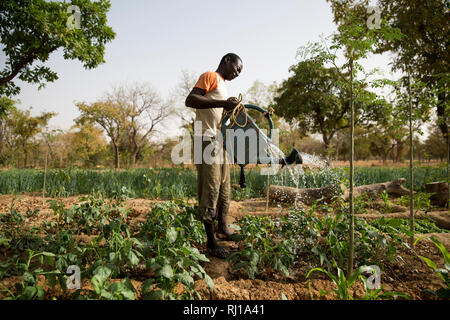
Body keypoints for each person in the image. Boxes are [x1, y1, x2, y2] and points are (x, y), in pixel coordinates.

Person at [185, 53, 243, 258]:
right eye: (236, 68)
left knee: (224, 187)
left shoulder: (223, 85)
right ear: (226, 61)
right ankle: (211, 242)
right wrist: (222, 104)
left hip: (219, 140)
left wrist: (230, 107)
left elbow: (220, 113)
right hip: (206, 138)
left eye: (239, 72)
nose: (237, 73)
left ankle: (222, 228)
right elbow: (190, 100)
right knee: (210, 187)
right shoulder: (209, 75)